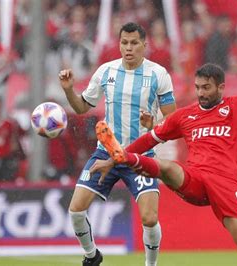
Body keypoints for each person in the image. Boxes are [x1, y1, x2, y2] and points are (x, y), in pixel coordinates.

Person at [91, 49, 237, 266]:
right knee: (168, 168)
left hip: (226, 182)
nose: (201, 93)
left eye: (206, 88)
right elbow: (149, 139)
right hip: (194, 177)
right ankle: (129, 161)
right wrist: (114, 160)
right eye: (198, 87)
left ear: (220, 87)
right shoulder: (185, 116)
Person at [58, 22, 176, 266]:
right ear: (119, 44)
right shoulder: (105, 72)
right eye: (124, 43)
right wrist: (69, 91)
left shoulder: (158, 74)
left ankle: (150, 265)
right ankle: (92, 256)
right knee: (75, 210)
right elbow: (82, 108)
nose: (129, 48)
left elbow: (173, 118)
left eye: (134, 43)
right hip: (106, 152)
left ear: (145, 45)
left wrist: (153, 122)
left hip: (141, 155)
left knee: (150, 218)